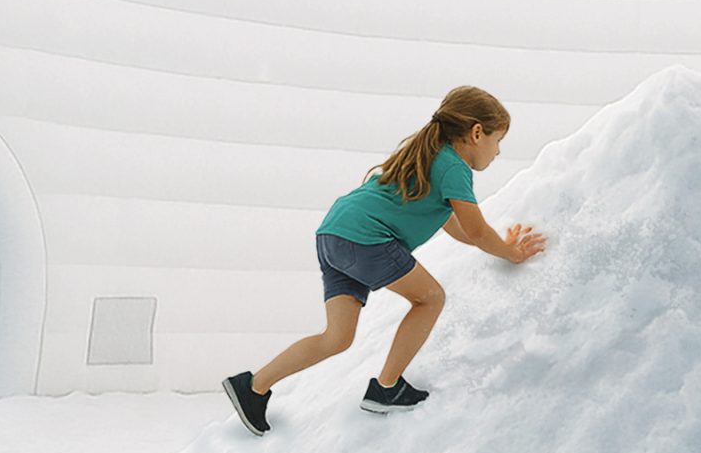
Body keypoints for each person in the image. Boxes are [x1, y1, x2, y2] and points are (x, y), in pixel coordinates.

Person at [221, 85, 547, 435]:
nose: (498, 152)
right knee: (430, 298)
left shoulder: (429, 154)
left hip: (334, 233)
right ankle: (387, 388)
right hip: (366, 238)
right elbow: (479, 231)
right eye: (498, 140)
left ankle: (252, 386)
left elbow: (456, 228)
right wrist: (511, 252)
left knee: (337, 337)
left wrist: (498, 243)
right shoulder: (454, 167)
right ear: (476, 132)